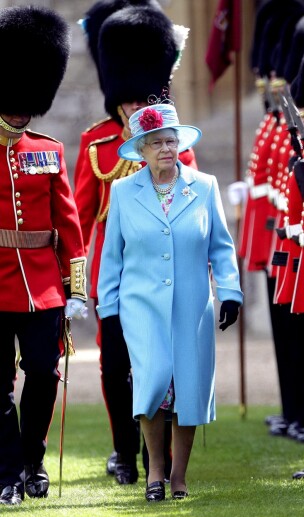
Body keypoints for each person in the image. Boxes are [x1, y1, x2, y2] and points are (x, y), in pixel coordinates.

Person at [75, 0, 197, 485]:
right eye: (125, 99)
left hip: (163, 267)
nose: (131, 106)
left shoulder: (177, 146)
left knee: (162, 363)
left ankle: (159, 458)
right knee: (115, 364)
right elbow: (79, 220)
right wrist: (75, 282)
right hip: (115, 270)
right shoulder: (96, 144)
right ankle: (124, 451)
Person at [97, 102, 243, 501]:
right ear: (140, 150)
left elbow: (222, 248)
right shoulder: (124, 192)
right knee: (153, 382)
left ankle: (178, 477)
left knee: (188, 390)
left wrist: (229, 291)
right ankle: (154, 473)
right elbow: (112, 258)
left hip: (192, 306)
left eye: (170, 141)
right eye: (156, 142)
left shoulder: (206, 186)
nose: (165, 148)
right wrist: (108, 310)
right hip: (140, 306)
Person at [0, 6, 87, 506]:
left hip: (43, 285)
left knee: (43, 374)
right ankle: (7, 470)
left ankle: (31, 458)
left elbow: (69, 225)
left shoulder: (48, 150)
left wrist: (76, 288)